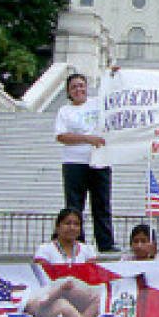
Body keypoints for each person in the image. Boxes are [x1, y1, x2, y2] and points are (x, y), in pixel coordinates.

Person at [53, 73, 116, 252]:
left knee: (102, 204)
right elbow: (61, 136)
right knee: (74, 205)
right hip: (74, 162)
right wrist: (87, 138)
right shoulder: (65, 111)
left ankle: (106, 244)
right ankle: (75, 243)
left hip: (99, 160)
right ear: (68, 92)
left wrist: (113, 74)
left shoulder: (97, 103)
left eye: (81, 85)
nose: (78, 90)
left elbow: (114, 92)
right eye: (74, 87)